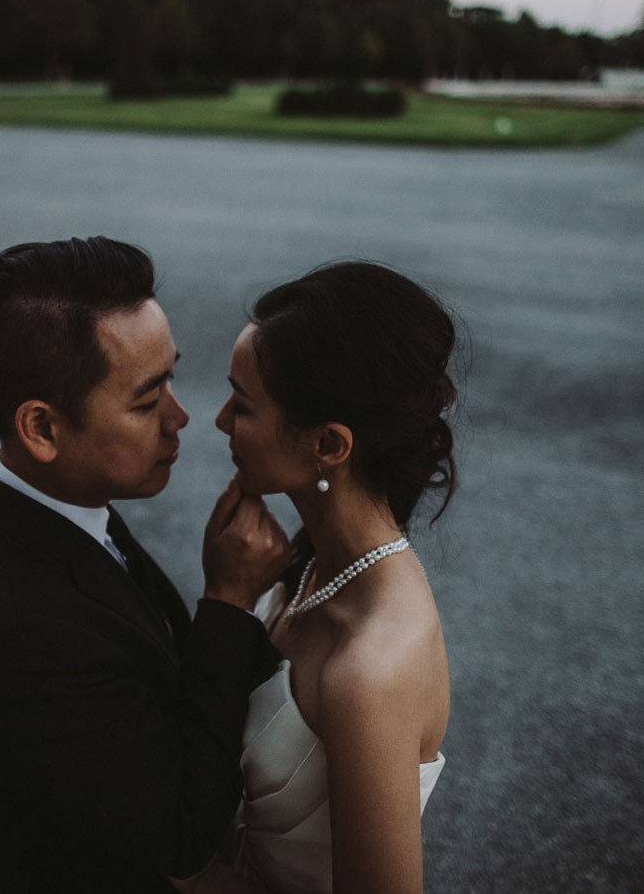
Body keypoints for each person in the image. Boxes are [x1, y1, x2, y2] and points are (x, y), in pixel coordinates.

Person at [0, 236, 289, 893]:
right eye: (147, 402)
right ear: (41, 428)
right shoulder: (21, 633)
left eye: (171, 377)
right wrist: (229, 600)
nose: (182, 418)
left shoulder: (51, 502)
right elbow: (181, 833)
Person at [189, 261, 458, 894]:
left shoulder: (372, 668)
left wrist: (195, 876)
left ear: (330, 446)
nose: (221, 421)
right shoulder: (309, 567)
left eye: (244, 404)